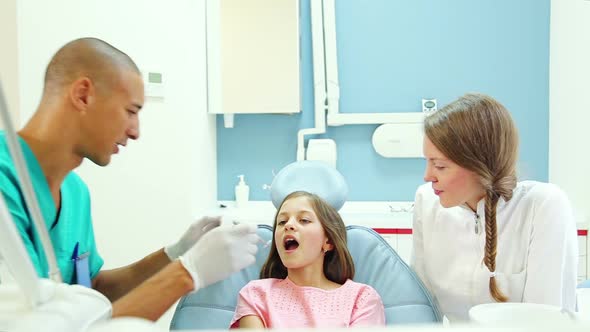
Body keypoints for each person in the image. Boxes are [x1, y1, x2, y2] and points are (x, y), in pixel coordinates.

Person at [0, 37, 259, 321]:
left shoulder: (76, 193)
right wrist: (187, 273)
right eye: (131, 111)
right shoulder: (6, 182)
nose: (135, 131)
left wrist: (175, 253)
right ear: (83, 95)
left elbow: (92, 291)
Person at [411, 93, 578, 321]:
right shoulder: (427, 202)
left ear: (480, 165)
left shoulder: (543, 206)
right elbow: (422, 306)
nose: (428, 176)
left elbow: (545, 320)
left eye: (440, 166)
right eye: (427, 161)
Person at [231, 191, 385, 328]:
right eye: (282, 221)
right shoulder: (255, 294)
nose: (289, 225)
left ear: (329, 241)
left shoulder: (362, 299)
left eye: (304, 220)